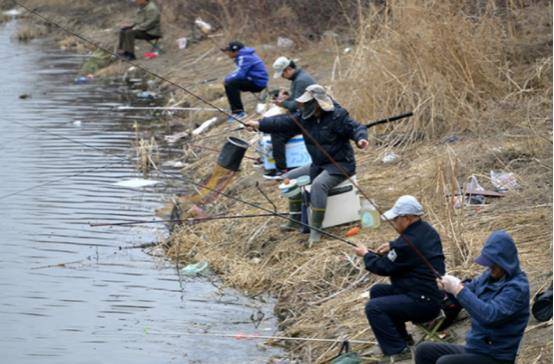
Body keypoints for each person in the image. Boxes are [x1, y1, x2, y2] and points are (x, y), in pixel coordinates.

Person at [245, 84, 368, 245]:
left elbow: (356, 128)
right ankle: (296, 219)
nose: (302, 107)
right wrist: (259, 124)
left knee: (318, 185)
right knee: (289, 178)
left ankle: (316, 229)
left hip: (340, 164)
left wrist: (361, 138)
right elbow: (283, 123)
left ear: (317, 103)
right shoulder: (304, 118)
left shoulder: (338, 116)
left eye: (306, 103)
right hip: (318, 164)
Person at [353, 195, 446, 363]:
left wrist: (366, 255)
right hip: (427, 292)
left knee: (374, 308)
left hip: (424, 302)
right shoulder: (425, 230)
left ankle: (398, 350)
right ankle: (403, 338)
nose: (394, 223)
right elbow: (405, 251)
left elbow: (383, 267)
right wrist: (392, 245)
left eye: (396, 219)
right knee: (377, 291)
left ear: (408, 218)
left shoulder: (407, 242)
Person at [415, 230, 530, 364]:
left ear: (505, 261)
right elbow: (468, 291)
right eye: (489, 262)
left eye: (494, 264)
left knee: (445, 363)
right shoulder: (489, 276)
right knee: (424, 351)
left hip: (496, 356)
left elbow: (489, 316)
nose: (490, 267)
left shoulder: (517, 288)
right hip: (476, 349)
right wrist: (446, 288)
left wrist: (458, 289)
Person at [263, 57, 316, 180]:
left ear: (288, 69)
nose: (282, 77)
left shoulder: (301, 80)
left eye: (282, 74)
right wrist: (288, 98)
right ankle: (272, 160)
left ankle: (281, 170)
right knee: (274, 122)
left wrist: (281, 103)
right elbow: (297, 101)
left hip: (308, 118)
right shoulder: (299, 78)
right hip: (304, 114)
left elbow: (295, 106)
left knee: (276, 132)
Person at [221, 41, 268, 121]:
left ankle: (238, 112)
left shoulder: (244, 57)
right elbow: (239, 71)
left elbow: (240, 74)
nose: (227, 53)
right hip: (256, 80)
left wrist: (227, 79)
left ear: (235, 51)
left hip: (258, 83)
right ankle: (237, 110)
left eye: (228, 51)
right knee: (230, 81)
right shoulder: (244, 55)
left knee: (230, 83)